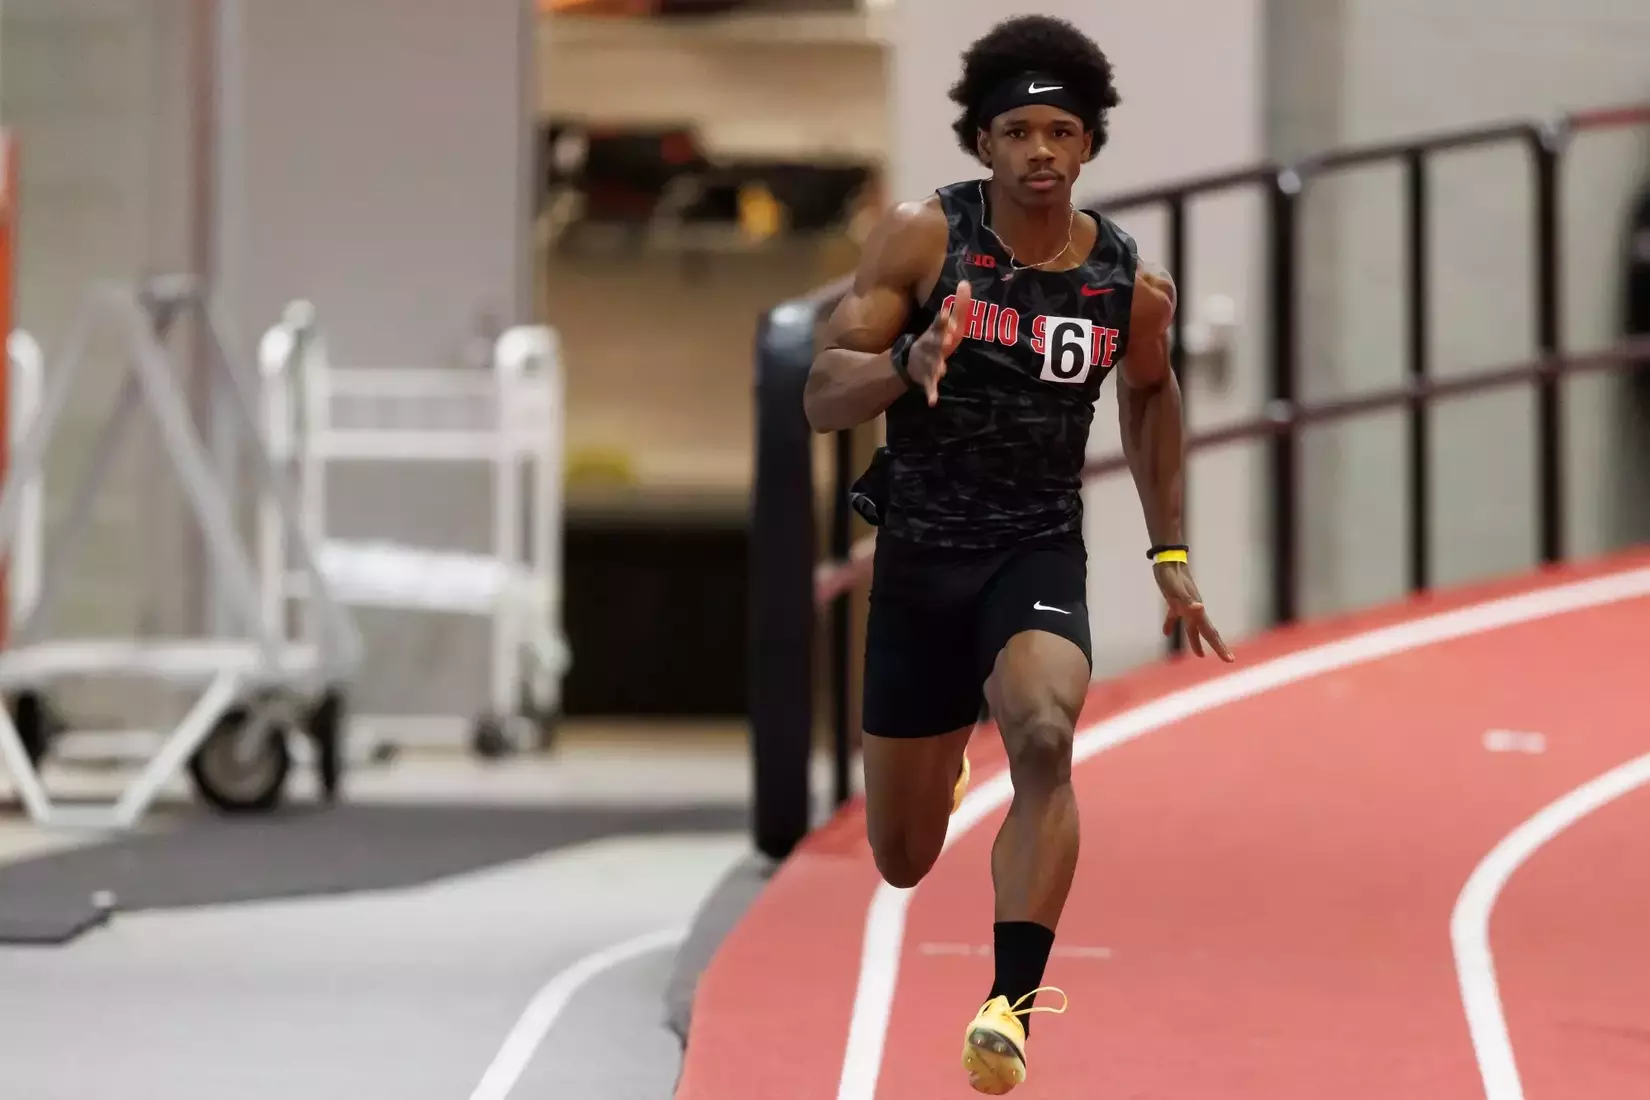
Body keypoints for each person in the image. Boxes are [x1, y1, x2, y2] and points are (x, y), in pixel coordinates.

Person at [802, 14, 1236, 1095]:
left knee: (1045, 734)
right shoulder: (925, 239)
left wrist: (1171, 549)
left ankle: (1010, 1006)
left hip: (1033, 548)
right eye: (1018, 133)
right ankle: (944, 752)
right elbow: (823, 392)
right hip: (920, 557)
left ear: (1087, 146)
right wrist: (908, 361)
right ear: (983, 144)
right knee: (903, 855)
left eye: (1060, 132)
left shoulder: (1128, 284)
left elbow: (1151, 396)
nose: (1040, 151)